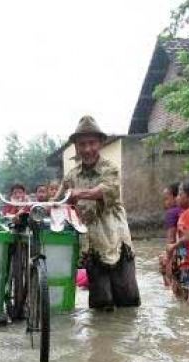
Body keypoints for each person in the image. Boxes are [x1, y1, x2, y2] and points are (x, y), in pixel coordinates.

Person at [55, 115, 140, 310]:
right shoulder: (71, 176)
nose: (87, 149)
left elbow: (104, 191)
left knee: (127, 301)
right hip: (91, 245)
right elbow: (57, 202)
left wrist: (78, 193)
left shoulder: (109, 169)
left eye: (91, 143)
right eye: (82, 144)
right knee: (101, 305)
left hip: (117, 242)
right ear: (76, 146)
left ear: (100, 143)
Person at [158, 183, 182, 286]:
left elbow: (171, 239)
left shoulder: (171, 213)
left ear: (175, 197)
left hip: (178, 250)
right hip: (187, 251)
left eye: (166, 199)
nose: (165, 203)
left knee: (162, 260)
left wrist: (167, 261)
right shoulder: (187, 211)